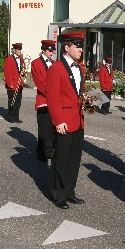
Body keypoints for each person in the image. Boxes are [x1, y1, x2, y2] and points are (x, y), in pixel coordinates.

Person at [46, 32, 86, 209]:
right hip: (65, 121)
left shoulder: (80, 68)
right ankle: (58, 194)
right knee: (61, 160)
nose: (81, 49)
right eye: (77, 46)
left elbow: (79, 93)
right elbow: (53, 97)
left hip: (78, 120)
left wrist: (92, 99)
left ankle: (70, 191)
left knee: (74, 159)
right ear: (67, 47)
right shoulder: (56, 68)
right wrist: (58, 121)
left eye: (81, 46)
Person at [31, 39, 56, 162]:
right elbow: (39, 82)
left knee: (52, 127)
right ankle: (42, 152)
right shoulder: (36, 63)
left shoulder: (54, 63)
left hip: (54, 100)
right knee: (43, 128)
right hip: (44, 99)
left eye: (53, 50)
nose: (52, 52)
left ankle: (49, 149)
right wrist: (52, 93)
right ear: (44, 50)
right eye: (50, 50)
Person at [4, 42, 25, 123]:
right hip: (12, 84)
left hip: (19, 83)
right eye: (19, 49)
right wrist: (10, 84)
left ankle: (16, 117)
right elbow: (7, 72)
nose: (20, 51)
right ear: (14, 50)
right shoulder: (9, 59)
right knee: (12, 101)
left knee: (18, 102)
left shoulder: (21, 59)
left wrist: (23, 72)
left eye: (20, 49)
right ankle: (10, 117)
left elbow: (22, 71)